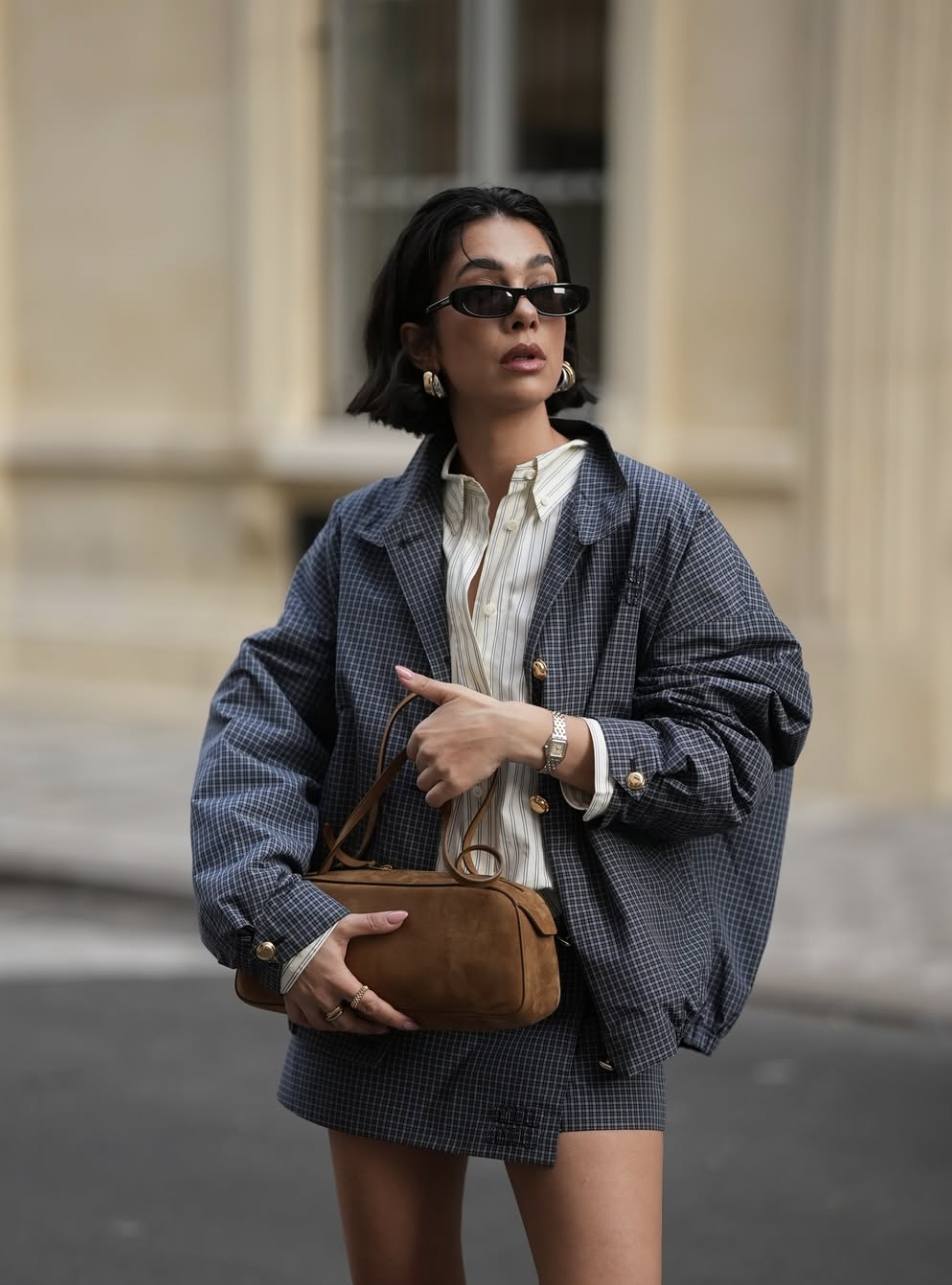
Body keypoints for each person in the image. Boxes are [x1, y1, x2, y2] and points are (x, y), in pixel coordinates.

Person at [191, 185, 811, 1285]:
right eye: (486, 294)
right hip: (381, 971)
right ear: (424, 340)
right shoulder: (363, 533)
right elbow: (259, 729)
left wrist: (541, 735)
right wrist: (290, 931)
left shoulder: (657, 523)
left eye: (546, 291)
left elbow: (743, 741)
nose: (524, 315)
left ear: (567, 328)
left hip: (582, 994)